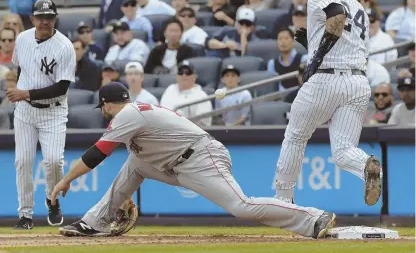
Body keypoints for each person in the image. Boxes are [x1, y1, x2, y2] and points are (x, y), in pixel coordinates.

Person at [51, 81, 336, 239]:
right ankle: (97, 221)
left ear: (106, 104)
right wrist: (121, 196)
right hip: (180, 163)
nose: (103, 111)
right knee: (135, 164)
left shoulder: (126, 114)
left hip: (201, 157)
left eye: (102, 107)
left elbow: (97, 153)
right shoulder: (134, 113)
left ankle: (312, 218)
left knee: (241, 206)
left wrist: (66, 179)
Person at [274, 0, 381, 207]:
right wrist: (311, 45)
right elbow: (348, 40)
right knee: (344, 152)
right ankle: (366, 165)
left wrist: (316, 56)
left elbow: (336, 16)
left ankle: (282, 201)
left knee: (296, 137)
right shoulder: (358, 4)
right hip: (357, 82)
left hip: (326, 79)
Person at [6, 0, 76, 229]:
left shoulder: (65, 46)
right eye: (40, 17)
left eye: (50, 17)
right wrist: (18, 91)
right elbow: (19, 68)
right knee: (22, 161)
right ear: (32, 19)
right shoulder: (22, 38)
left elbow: (62, 88)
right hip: (25, 111)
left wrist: (24, 92)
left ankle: (52, 200)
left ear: (55, 19)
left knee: (54, 161)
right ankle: (25, 215)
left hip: (53, 111)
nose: (45, 21)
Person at [160, 61, 212, 127]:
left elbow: (204, 123)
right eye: (181, 72)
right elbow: (162, 113)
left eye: (188, 73)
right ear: (177, 76)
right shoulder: (170, 89)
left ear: (194, 76)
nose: (184, 75)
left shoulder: (202, 95)